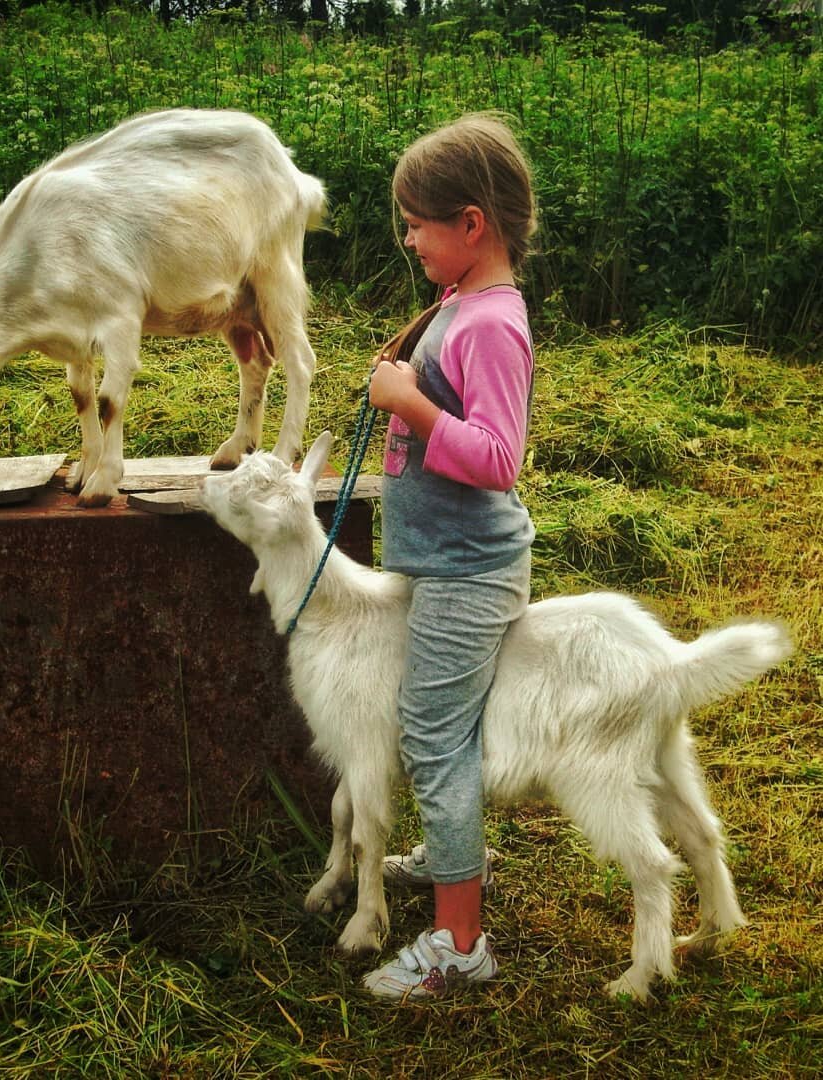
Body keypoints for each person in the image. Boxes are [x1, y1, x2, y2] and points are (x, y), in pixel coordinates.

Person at [363, 113, 538, 1001]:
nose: (407, 237)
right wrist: (409, 381)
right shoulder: (459, 310)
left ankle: (459, 940)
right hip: (443, 561)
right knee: (436, 729)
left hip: (471, 570)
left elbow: (498, 459)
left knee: (435, 737)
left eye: (417, 222)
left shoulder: (491, 326)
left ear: (471, 225)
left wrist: (413, 406)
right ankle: (448, 846)